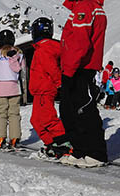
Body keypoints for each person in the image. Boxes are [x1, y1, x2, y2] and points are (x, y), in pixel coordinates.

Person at [58, 0, 108, 168]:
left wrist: (69, 69)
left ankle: (95, 152)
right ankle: (80, 150)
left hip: (80, 67)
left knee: (83, 110)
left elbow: (79, 41)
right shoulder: (89, 5)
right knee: (71, 111)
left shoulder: (85, 6)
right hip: (79, 65)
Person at [28, 17, 72, 160]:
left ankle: (63, 142)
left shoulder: (44, 49)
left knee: (48, 119)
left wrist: (59, 82)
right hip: (39, 90)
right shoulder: (44, 47)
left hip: (44, 89)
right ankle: (51, 143)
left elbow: (51, 67)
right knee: (35, 120)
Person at [0, 29, 25, 150]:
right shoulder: (19, 55)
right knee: (14, 114)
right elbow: (22, 72)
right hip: (14, 88)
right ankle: (14, 138)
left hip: (0, 88)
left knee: (1, 114)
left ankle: (0, 138)